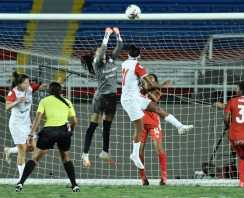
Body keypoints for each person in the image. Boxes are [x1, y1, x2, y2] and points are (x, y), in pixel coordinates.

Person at [121, 44, 193, 169]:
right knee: (139, 128)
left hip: (135, 97)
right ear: (139, 56)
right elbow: (149, 83)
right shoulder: (137, 66)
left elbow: (140, 83)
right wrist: (162, 85)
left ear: (128, 55)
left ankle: (180, 126)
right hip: (130, 100)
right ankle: (134, 154)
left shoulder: (124, 63)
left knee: (157, 109)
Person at [16, 82, 79, 192]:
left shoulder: (44, 101)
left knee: (35, 158)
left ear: (49, 91)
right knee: (65, 157)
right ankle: (74, 185)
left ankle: (21, 183)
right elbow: (75, 121)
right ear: (60, 91)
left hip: (48, 132)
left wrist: (31, 134)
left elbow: (37, 119)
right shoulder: (67, 102)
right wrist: (70, 131)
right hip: (63, 132)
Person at [82, 27, 123, 167]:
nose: (103, 53)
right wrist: (106, 35)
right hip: (100, 98)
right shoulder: (97, 64)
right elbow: (102, 52)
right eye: (100, 52)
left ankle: (105, 152)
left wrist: (117, 34)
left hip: (112, 98)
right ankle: (85, 155)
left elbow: (120, 46)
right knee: (93, 126)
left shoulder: (111, 60)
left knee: (107, 126)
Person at [4, 71, 46, 181]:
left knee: (32, 147)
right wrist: (17, 101)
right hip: (16, 125)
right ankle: (21, 179)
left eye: (29, 83)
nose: (28, 85)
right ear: (19, 84)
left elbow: (38, 87)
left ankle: (9, 150)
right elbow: (7, 107)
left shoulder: (30, 88)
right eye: (26, 83)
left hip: (26, 123)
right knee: (22, 149)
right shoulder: (13, 93)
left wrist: (43, 86)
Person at [139, 74, 171, 186]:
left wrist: (156, 89)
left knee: (158, 148)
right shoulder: (140, 90)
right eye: (148, 80)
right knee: (139, 151)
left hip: (153, 121)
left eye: (152, 80)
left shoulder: (156, 91)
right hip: (140, 122)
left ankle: (164, 176)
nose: (150, 82)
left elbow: (155, 99)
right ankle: (143, 177)